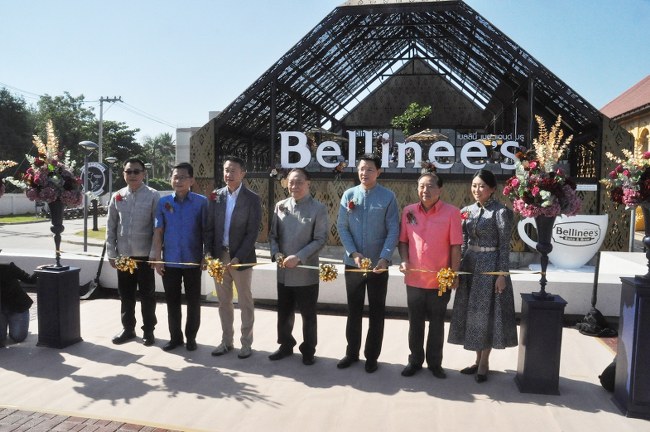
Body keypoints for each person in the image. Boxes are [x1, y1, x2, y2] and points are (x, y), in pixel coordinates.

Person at [448, 169, 518, 383]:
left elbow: (504, 246)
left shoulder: (501, 212)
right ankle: (477, 359)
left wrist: (501, 274)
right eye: (474, 185)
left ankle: (485, 361)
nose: (477, 190)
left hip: (491, 266)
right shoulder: (466, 211)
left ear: (492, 189)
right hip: (470, 265)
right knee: (474, 314)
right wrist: (458, 269)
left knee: (488, 313)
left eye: (482, 186)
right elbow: (463, 242)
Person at [336, 153, 399, 373]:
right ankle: (351, 353)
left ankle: (372, 356)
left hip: (378, 266)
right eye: (362, 168)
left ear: (378, 172)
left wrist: (385, 257)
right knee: (353, 310)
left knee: (376, 311)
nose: (365, 173)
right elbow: (342, 226)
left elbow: (393, 229)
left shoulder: (388, 197)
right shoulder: (349, 195)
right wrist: (353, 253)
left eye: (370, 169)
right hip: (353, 264)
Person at [398, 173, 462, 379]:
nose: (425, 190)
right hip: (414, 279)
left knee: (437, 323)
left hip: (440, 280)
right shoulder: (408, 211)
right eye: (421, 186)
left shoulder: (452, 212)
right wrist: (404, 260)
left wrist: (454, 273)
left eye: (430, 186)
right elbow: (403, 241)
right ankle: (414, 361)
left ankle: (435, 363)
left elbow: (455, 246)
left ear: (440, 189)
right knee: (415, 323)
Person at [268, 168, 328, 365]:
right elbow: (273, 236)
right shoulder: (281, 206)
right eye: (291, 182)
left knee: (308, 315)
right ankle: (285, 345)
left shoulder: (318, 209)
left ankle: (308, 349)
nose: (294, 186)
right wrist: (276, 253)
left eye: (299, 182)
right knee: (284, 312)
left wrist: (299, 257)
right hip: (284, 272)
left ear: (308, 183)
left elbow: (320, 239)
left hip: (305, 272)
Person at [205, 156, 262, 359]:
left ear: (242, 173)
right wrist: (208, 254)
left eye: (233, 171)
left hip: (241, 258)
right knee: (223, 301)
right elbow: (209, 228)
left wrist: (238, 257)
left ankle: (246, 343)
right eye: (226, 170)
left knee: (245, 301)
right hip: (219, 257)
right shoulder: (216, 196)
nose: (228, 174)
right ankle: (226, 341)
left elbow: (252, 232)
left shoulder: (252, 199)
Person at [151, 163, 207, 352]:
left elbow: (207, 232)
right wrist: (157, 258)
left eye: (183, 177)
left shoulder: (201, 202)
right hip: (170, 261)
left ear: (191, 180)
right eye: (175, 177)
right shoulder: (163, 202)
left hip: (193, 261)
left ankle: (191, 337)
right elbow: (158, 231)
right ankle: (175, 338)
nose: (178, 181)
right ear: (171, 180)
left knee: (193, 302)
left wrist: (206, 255)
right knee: (172, 301)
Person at [106, 158, 160, 346]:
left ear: (144, 174)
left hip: (145, 256)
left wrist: (154, 253)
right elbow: (111, 227)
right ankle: (128, 328)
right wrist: (111, 253)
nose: (132, 175)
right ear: (124, 174)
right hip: (124, 256)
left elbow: (157, 228)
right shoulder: (118, 196)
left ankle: (149, 330)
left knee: (147, 296)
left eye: (136, 171)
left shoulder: (153, 195)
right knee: (126, 295)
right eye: (129, 172)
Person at [0, 262, 36, 347]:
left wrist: (39, 270)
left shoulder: (8, 267)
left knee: (18, 337)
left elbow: (29, 279)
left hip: (17, 307)